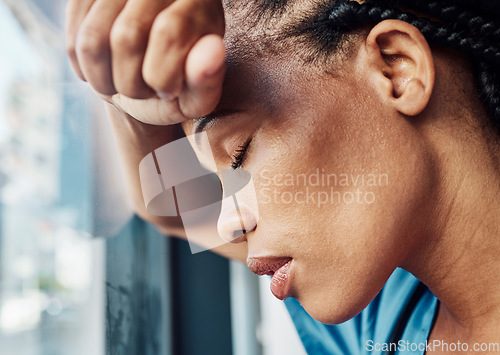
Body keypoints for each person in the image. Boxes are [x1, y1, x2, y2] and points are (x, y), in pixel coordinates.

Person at [66, 0, 500, 353]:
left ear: (396, 69)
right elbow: (174, 208)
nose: (226, 224)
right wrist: (124, 95)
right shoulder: (389, 325)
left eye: (238, 155)